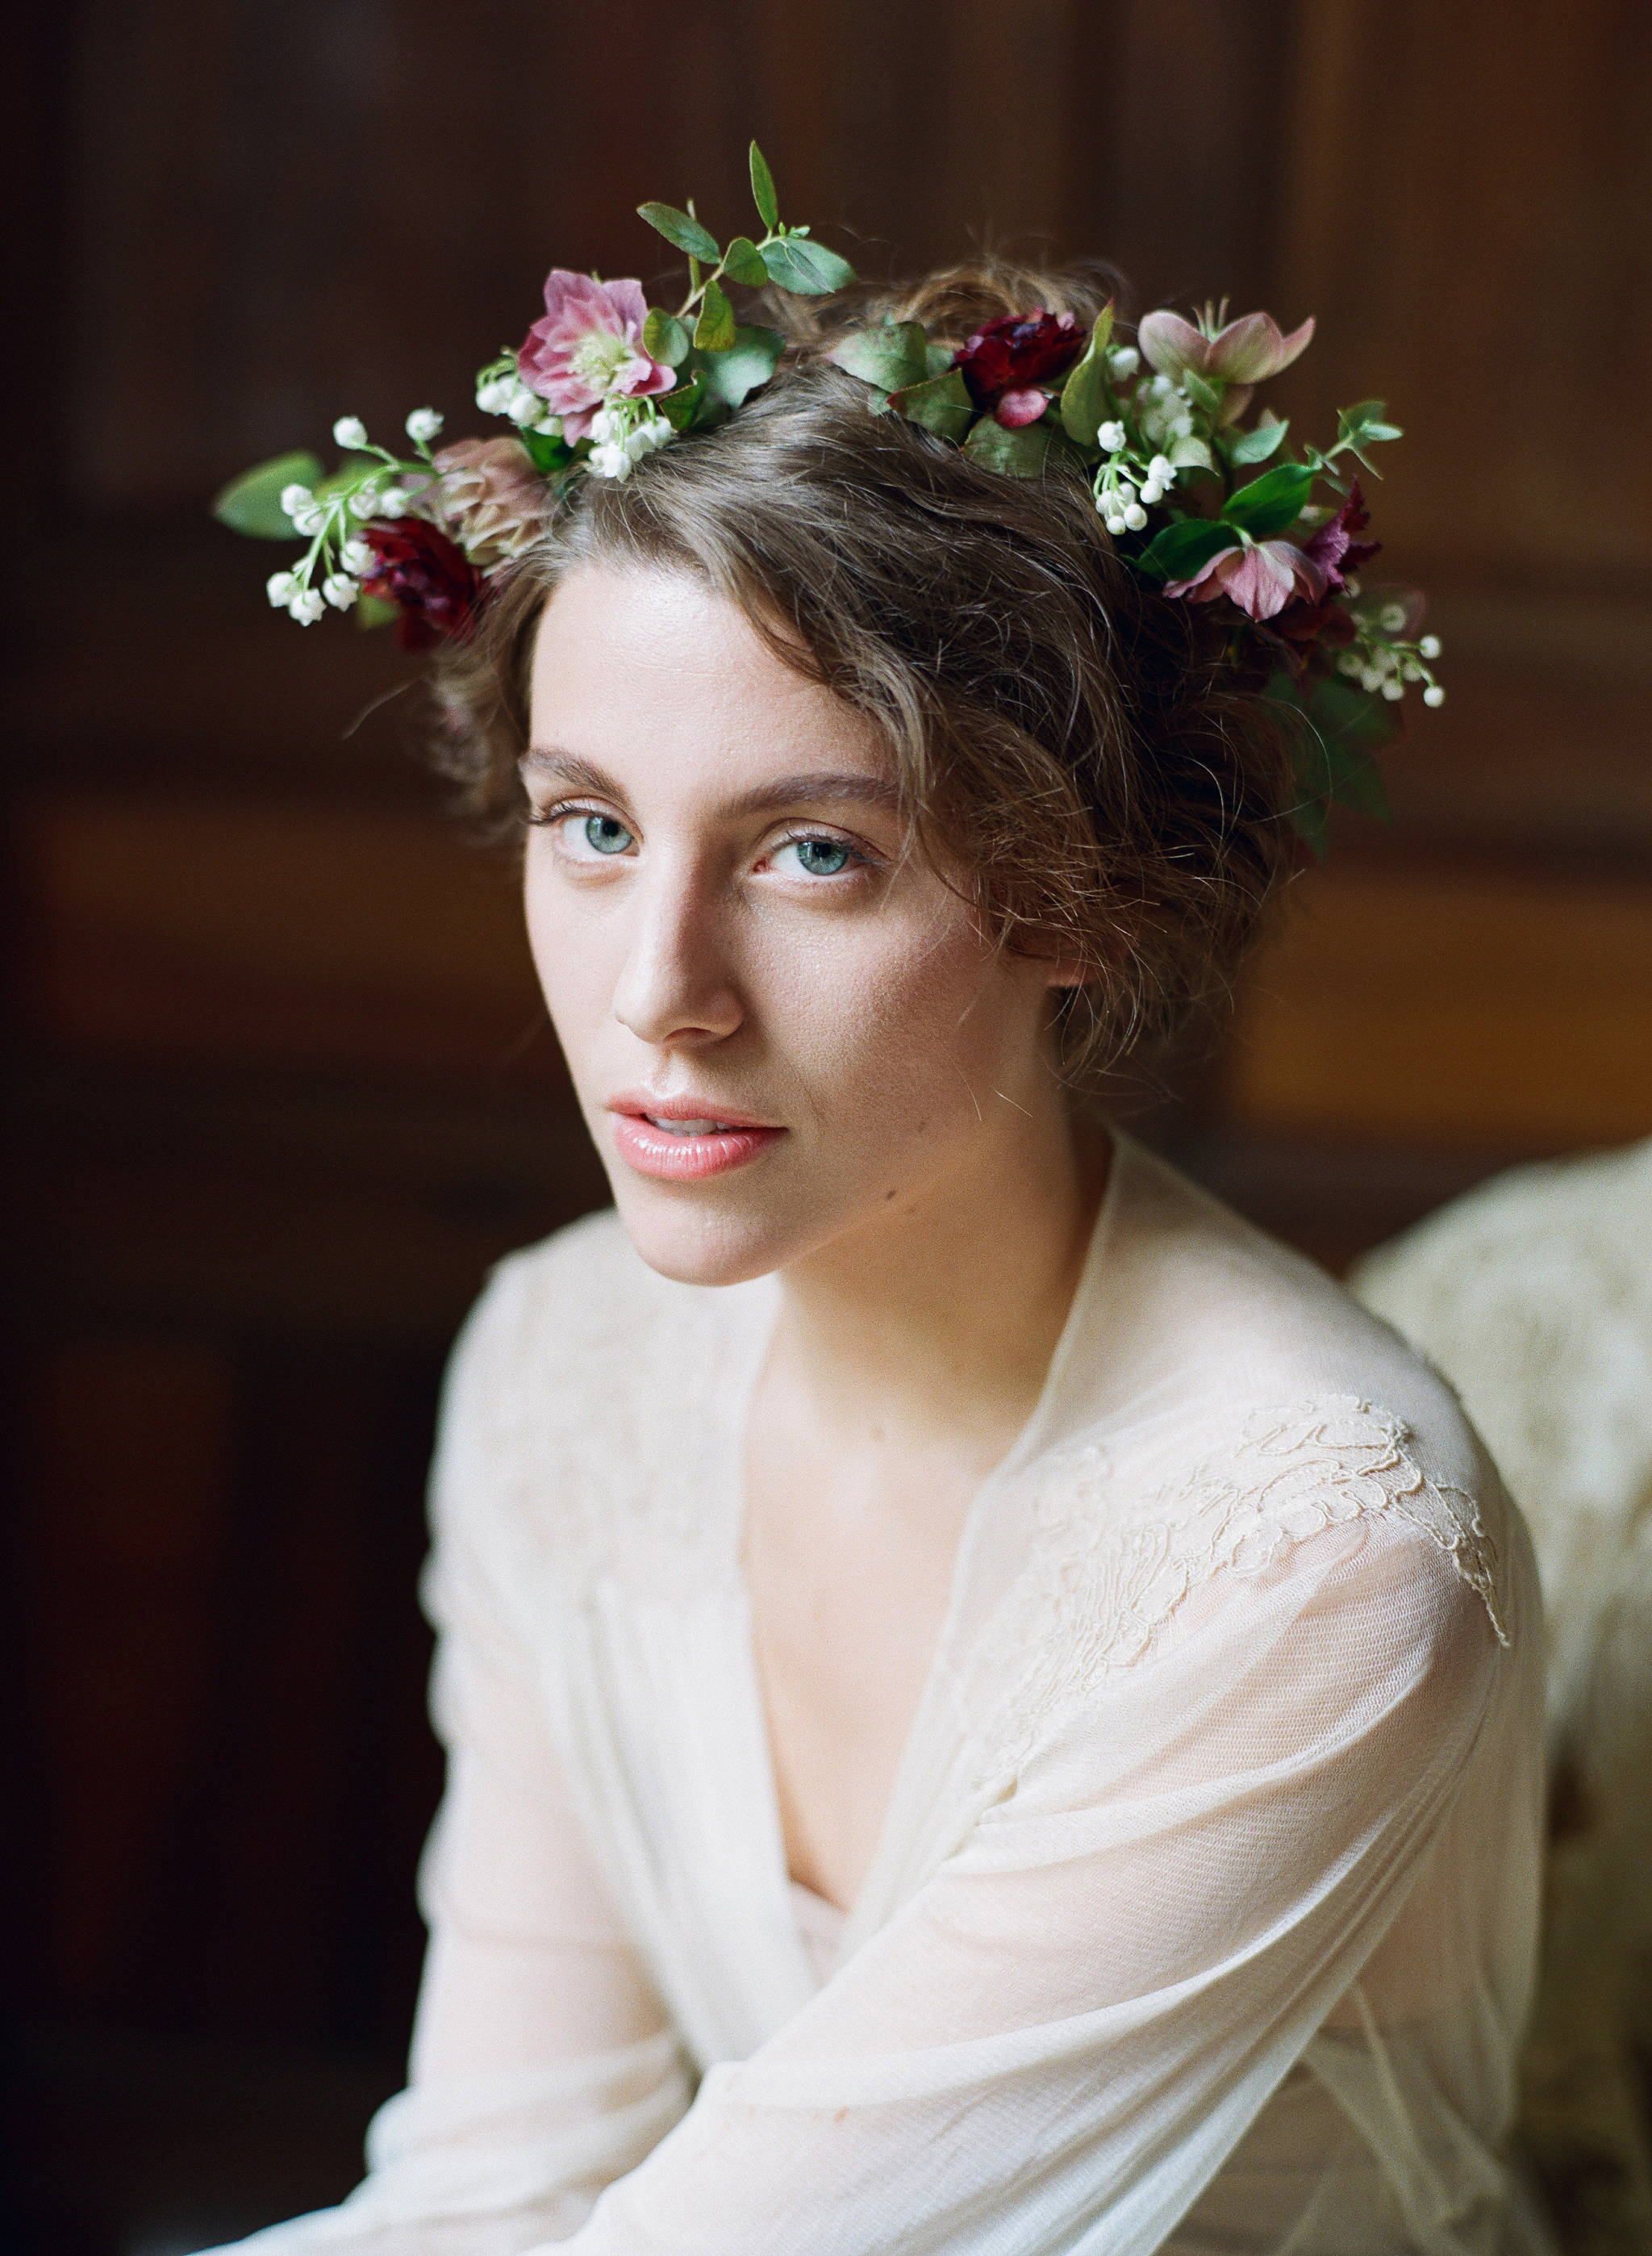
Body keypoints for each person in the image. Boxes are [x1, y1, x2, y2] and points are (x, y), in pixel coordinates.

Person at [204, 193, 1545, 2253]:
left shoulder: (1316, 1548)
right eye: (591, 826)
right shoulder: (566, 1355)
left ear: (1074, 892)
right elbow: (499, 2186)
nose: (658, 987)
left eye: (812, 851)